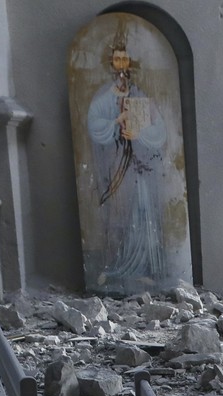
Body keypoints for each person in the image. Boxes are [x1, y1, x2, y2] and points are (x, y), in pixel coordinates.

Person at [86, 40, 169, 290]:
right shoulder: (103, 98)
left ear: (130, 63)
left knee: (144, 213)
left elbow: (160, 130)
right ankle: (115, 267)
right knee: (118, 213)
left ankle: (146, 268)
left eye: (125, 59)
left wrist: (140, 134)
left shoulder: (140, 95)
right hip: (117, 166)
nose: (121, 64)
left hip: (141, 167)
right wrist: (115, 122)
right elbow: (94, 125)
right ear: (111, 63)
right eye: (117, 59)